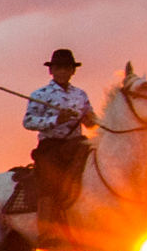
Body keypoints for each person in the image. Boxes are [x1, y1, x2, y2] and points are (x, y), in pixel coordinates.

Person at [22, 48, 98, 228]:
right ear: (51, 70)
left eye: (67, 68)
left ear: (73, 71)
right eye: (58, 68)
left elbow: (90, 120)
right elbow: (28, 121)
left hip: (78, 143)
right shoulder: (40, 95)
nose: (63, 71)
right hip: (51, 145)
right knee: (49, 177)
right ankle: (46, 227)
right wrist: (56, 120)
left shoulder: (81, 94)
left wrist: (91, 120)